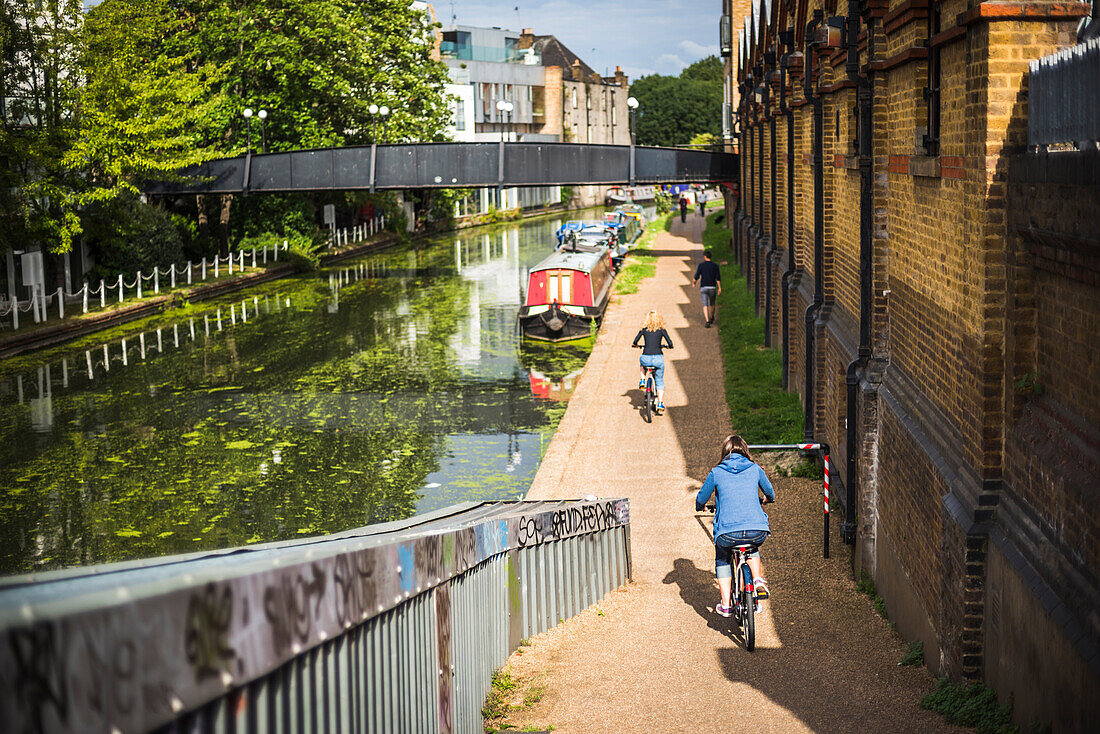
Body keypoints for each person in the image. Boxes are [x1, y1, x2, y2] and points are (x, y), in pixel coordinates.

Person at [695, 434, 775, 617]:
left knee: (723, 558)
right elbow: (770, 492)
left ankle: (726, 605)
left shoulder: (716, 472)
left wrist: (701, 507)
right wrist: (767, 499)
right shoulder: (755, 469)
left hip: (727, 534)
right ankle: (757, 580)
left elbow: (701, 498)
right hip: (757, 530)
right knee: (752, 547)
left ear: (725, 453)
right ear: (745, 450)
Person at [632, 310, 673, 413]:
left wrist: (636, 345)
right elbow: (670, 343)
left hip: (646, 357)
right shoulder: (662, 330)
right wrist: (668, 346)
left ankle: (642, 379)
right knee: (659, 381)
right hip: (658, 358)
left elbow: (635, 341)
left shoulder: (644, 330)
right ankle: (660, 403)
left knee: (642, 361)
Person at [692, 249, 721, 327]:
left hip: (704, 287)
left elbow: (697, 276)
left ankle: (707, 321)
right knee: (712, 303)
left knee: (705, 304)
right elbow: (718, 278)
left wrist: (694, 282)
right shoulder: (715, 266)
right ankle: (711, 317)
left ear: (705, 257)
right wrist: (719, 288)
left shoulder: (701, 265)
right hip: (712, 287)